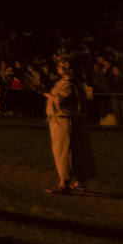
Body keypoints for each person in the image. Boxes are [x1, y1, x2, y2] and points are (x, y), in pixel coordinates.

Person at [42, 56, 96, 194]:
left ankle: (63, 183)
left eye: (62, 66)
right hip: (68, 120)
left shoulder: (69, 84)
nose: (59, 68)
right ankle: (79, 181)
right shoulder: (70, 82)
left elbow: (62, 102)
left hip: (64, 120)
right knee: (76, 151)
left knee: (63, 151)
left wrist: (46, 94)